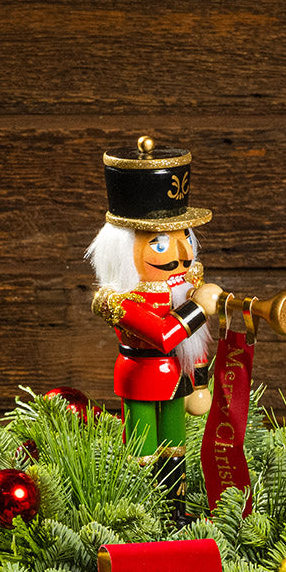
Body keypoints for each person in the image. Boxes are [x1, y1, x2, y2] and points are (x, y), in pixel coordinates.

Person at [86, 137, 223, 518]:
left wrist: (199, 382)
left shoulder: (182, 288)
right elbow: (164, 335)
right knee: (143, 449)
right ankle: (143, 511)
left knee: (175, 445)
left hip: (177, 379)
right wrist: (199, 308)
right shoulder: (119, 300)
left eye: (185, 239)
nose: (182, 255)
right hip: (141, 376)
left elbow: (196, 343)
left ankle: (175, 507)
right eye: (161, 244)